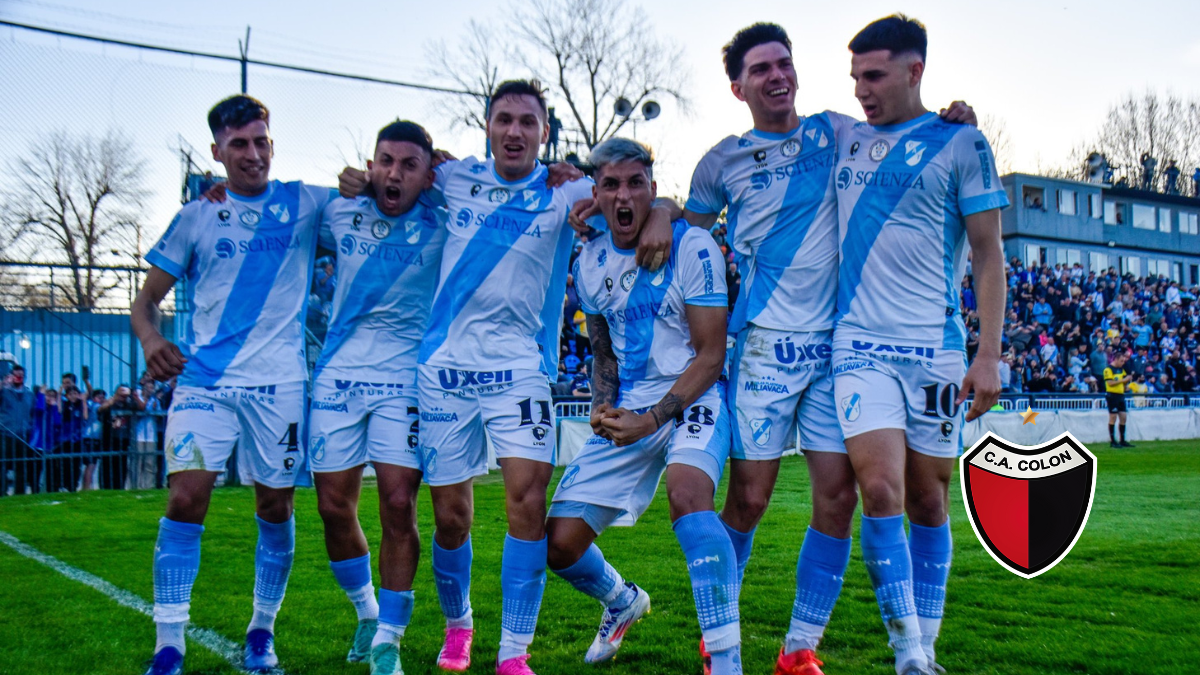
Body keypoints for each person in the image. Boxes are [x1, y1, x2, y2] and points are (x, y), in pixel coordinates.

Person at [672, 22, 975, 674]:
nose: (778, 76)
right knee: (749, 498)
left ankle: (797, 646)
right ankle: (715, 631)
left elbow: (904, 129)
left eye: (784, 63)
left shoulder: (839, 131)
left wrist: (953, 116)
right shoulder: (720, 161)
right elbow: (683, 241)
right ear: (738, 85)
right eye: (761, 69)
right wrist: (653, 209)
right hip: (761, 350)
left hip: (836, 347)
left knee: (838, 496)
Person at [339, 80, 669, 675]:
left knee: (527, 505)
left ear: (544, 132)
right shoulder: (452, 178)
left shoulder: (567, 186)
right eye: (504, 120)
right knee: (450, 518)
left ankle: (513, 656)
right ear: (487, 127)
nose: (514, 131)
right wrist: (361, 179)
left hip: (519, 372)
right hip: (443, 374)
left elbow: (641, 195)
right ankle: (458, 625)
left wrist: (664, 212)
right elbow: (396, 179)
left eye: (527, 121)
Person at [132, 94, 334, 675]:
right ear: (217, 151)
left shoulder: (304, 203)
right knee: (185, 498)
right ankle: (169, 644)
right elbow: (145, 302)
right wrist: (151, 342)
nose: (253, 154)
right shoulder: (196, 216)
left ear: (273, 143)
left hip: (280, 387)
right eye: (239, 144)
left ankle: (261, 633)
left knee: (275, 506)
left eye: (261, 142)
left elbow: (378, 192)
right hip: (207, 383)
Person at [831, 15, 1006, 675]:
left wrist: (988, 352)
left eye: (873, 76)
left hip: (935, 350)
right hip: (859, 348)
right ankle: (906, 645)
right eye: (854, 78)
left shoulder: (962, 144)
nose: (861, 91)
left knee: (929, 498)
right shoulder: (840, 136)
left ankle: (922, 647)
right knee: (880, 487)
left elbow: (989, 255)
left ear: (915, 71)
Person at [544, 138, 739, 673]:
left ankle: (726, 662)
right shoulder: (589, 261)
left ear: (653, 189)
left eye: (636, 183)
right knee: (558, 544)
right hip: (630, 405)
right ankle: (622, 601)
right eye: (611, 184)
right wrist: (603, 407)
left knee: (688, 497)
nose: (623, 194)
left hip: (692, 394)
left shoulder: (693, 246)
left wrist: (653, 418)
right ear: (597, 194)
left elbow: (711, 353)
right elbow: (603, 350)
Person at [308, 120, 447, 675]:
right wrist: (218, 190)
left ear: (427, 173)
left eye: (409, 164)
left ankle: (389, 635)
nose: (394, 173)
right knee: (332, 508)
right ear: (370, 165)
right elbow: (270, 207)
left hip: (404, 380)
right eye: (384, 161)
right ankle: (366, 611)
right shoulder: (337, 210)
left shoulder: (443, 222)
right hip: (337, 377)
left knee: (396, 503)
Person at [1103, 352, 1134, 448]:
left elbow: (1124, 380)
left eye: (1123, 361)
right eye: (1121, 361)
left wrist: (1125, 386)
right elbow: (1110, 383)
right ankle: (1112, 441)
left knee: (1123, 417)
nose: (1122, 363)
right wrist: (1123, 381)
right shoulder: (1108, 369)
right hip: (1112, 395)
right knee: (1113, 417)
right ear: (1115, 359)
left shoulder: (1121, 369)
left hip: (1121, 395)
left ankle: (1122, 440)